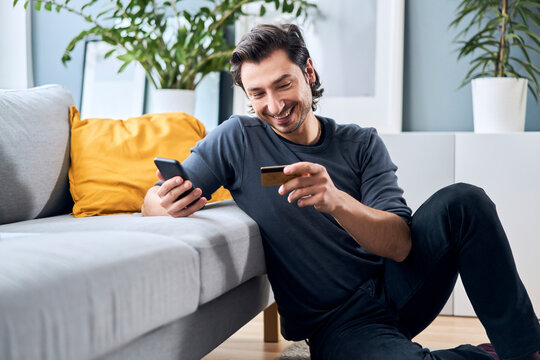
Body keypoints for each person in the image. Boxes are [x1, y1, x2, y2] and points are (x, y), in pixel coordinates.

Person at [142, 23, 540, 360]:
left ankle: (526, 350)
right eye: (258, 94)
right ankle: (492, 354)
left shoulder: (361, 144)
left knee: (464, 201)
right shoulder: (236, 139)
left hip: (397, 285)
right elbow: (151, 201)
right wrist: (163, 203)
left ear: (308, 73)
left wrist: (336, 202)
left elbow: (401, 245)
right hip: (336, 322)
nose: (275, 104)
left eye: (284, 84)